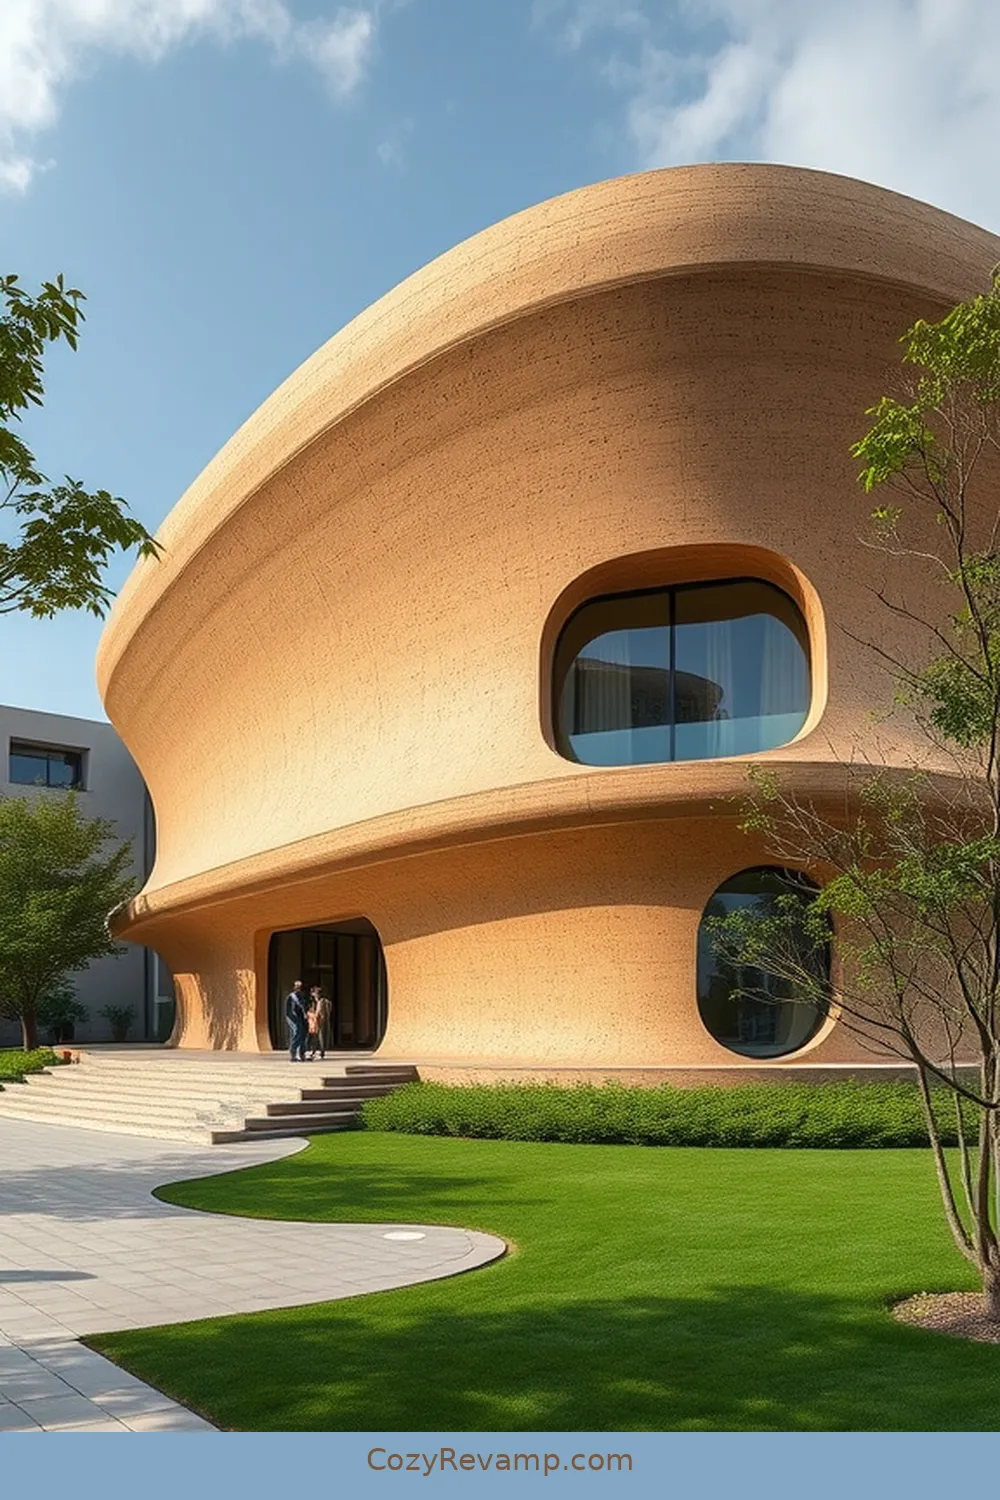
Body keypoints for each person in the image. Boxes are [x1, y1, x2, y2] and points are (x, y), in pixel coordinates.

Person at [306, 986, 331, 1061]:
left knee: (320, 1037)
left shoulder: (321, 1002)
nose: (313, 995)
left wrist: (311, 1015)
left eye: (314, 993)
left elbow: (319, 1013)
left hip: (320, 1022)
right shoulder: (320, 1001)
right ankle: (314, 1052)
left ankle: (321, 1053)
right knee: (316, 1037)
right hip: (319, 1022)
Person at [285, 980, 307, 1062]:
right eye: (297, 986)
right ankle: (293, 1052)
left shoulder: (302, 995)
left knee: (303, 1033)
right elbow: (297, 1006)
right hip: (293, 1018)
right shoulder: (292, 996)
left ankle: (302, 1053)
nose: (299, 988)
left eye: (300, 986)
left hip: (301, 1018)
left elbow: (304, 1005)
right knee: (298, 1032)